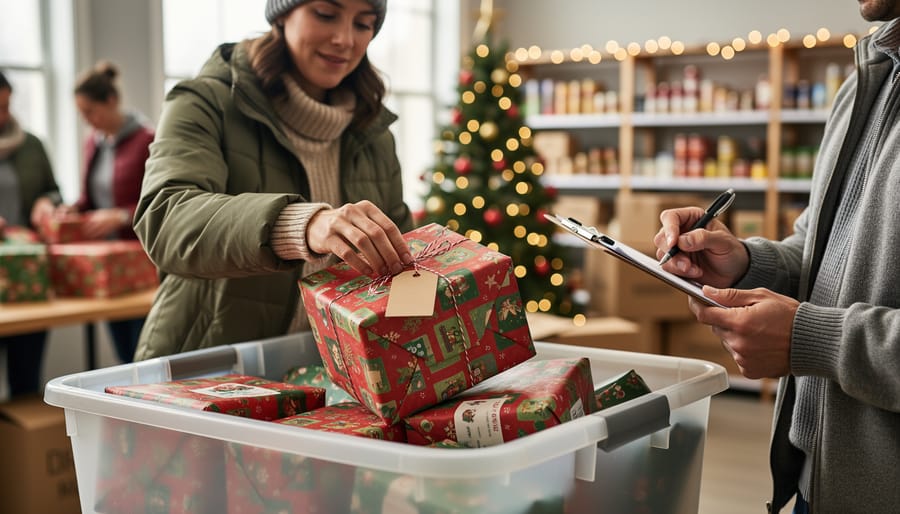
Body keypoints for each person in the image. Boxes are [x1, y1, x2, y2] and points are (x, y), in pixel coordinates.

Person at [655, 2, 900, 512]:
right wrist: (745, 262)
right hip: (817, 482)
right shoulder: (867, 78)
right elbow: (820, 248)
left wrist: (813, 340)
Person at [133, 0, 413, 360]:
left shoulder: (373, 132)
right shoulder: (204, 101)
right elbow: (165, 217)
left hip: (333, 380)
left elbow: (402, 255)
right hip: (205, 373)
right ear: (281, 15)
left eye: (364, 24)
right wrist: (304, 223)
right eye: (326, 15)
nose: (345, 39)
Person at [71, 61, 155, 364]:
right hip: (106, 264)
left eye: (90, 112)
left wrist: (120, 216)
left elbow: (158, 202)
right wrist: (69, 209)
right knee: (121, 354)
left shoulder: (147, 140)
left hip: (138, 262)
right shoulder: (93, 144)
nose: (87, 121)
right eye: (82, 114)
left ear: (111, 101)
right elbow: (89, 199)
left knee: (140, 353)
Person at [0, 70, 63, 396]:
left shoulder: (32, 145)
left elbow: (54, 191)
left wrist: (45, 202)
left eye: (7, 105)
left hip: (27, 277)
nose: (4, 115)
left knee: (26, 382)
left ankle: (25, 446)